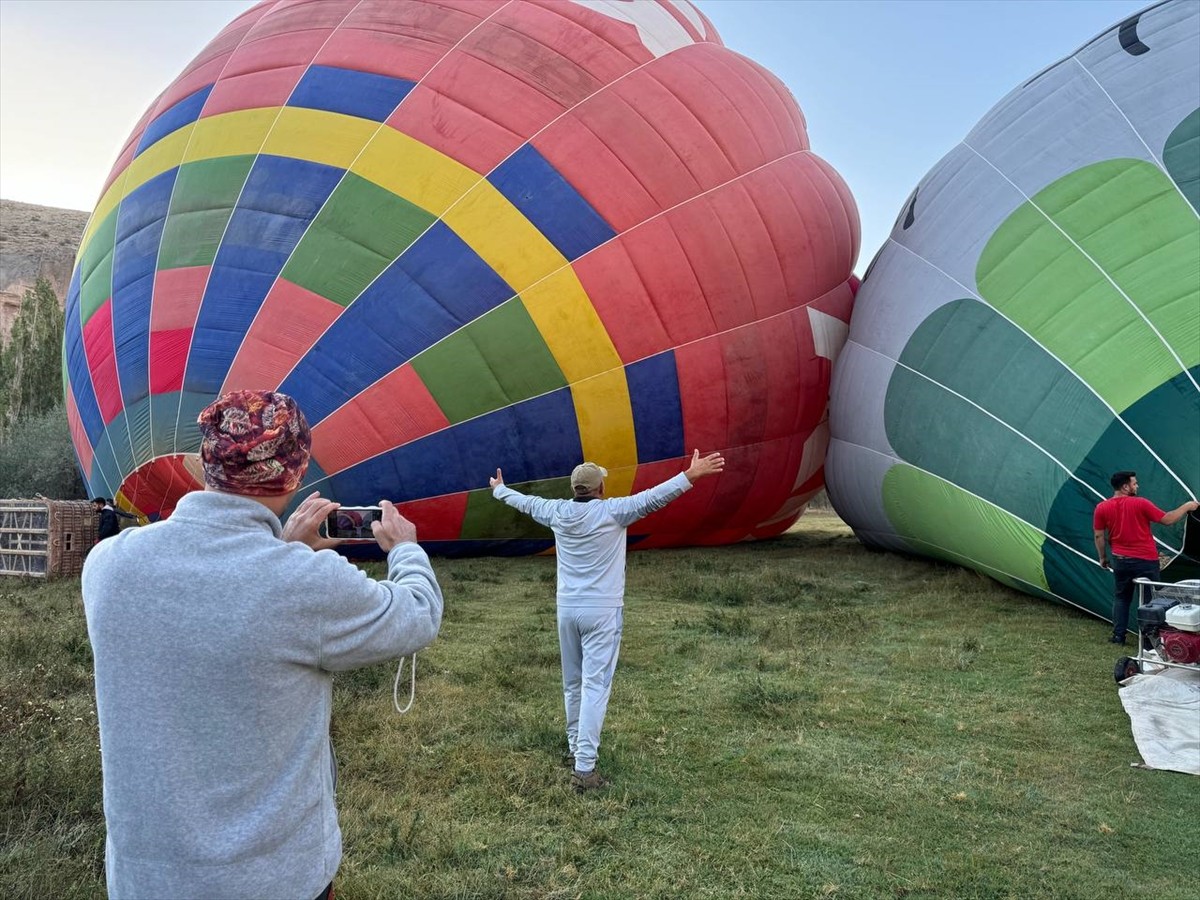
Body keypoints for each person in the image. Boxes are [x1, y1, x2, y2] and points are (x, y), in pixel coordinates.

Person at [81, 390, 444, 899]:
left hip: (147, 880)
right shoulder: (301, 583)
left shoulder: (106, 565)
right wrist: (405, 549)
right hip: (274, 880)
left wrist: (283, 550)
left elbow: (223, 600)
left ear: (206, 462)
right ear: (295, 474)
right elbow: (418, 614)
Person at [489, 450, 725, 792]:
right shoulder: (614, 512)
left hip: (567, 609)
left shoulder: (556, 511)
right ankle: (585, 770)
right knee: (595, 687)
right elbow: (655, 498)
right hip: (602, 611)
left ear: (575, 489)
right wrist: (691, 476)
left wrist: (499, 489)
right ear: (600, 488)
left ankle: (575, 750)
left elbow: (525, 502)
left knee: (573, 684)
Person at [1092, 470, 1199, 645]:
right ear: (1125, 487)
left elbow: (1099, 536)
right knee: (1151, 601)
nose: (1137, 486)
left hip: (1121, 560)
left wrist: (1102, 558)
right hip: (1146, 561)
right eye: (1135, 483)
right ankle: (1150, 641)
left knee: (1121, 597)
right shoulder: (1140, 503)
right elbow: (1168, 519)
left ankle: (1118, 636)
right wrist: (1187, 506)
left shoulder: (1102, 508)